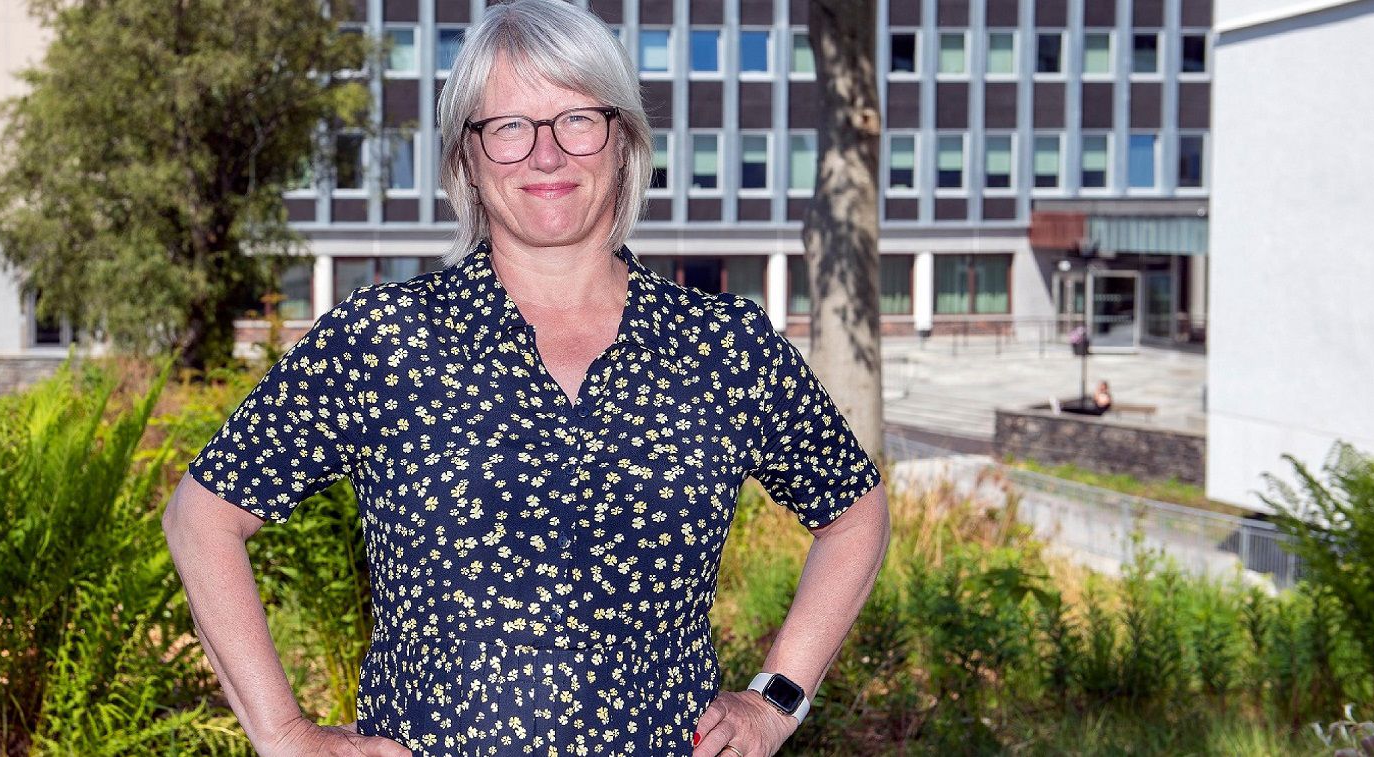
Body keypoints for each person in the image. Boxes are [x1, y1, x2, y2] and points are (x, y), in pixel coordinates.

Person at [163, 1, 890, 754]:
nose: (546, 156)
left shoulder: (725, 347)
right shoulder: (385, 340)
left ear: (622, 141)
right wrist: (285, 735)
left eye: (577, 118)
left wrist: (776, 701)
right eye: (508, 126)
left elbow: (853, 512)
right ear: (466, 161)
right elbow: (201, 517)